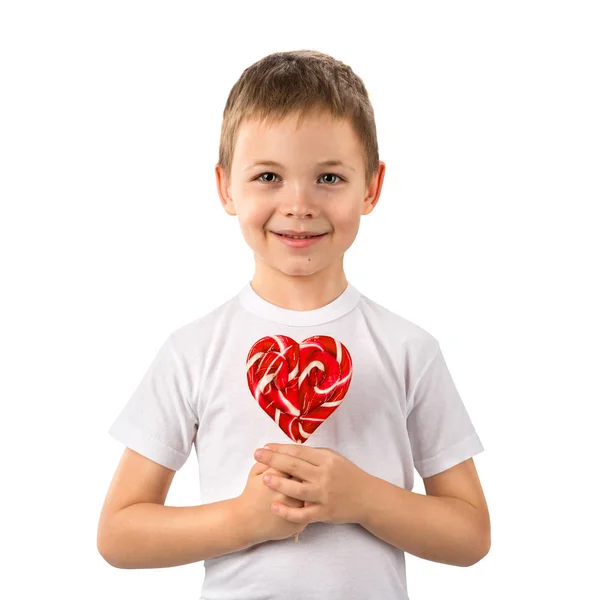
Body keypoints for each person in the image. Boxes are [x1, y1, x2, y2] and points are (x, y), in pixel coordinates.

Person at [97, 49, 490, 599]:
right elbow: (118, 533)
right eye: (268, 176)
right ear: (226, 188)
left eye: (329, 176)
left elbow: (470, 534)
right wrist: (243, 520)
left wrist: (363, 499)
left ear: (371, 187)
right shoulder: (194, 350)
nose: (298, 203)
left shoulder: (408, 349)